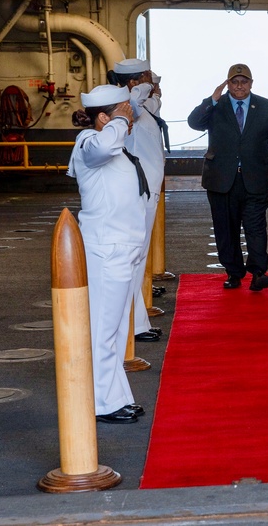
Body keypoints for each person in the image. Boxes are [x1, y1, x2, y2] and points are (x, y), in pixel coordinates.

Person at [66, 84, 148, 424]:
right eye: (122, 112)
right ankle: (101, 401)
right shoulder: (88, 141)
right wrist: (118, 122)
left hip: (122, 247)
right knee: (102, 328)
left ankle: (115, 395)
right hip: (105, 248)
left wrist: (122, 118)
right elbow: (101, 148)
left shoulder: (115, 144)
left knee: (113, 329)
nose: (129, 119)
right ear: (103, 117)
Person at [187, 63, 268, 291]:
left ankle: (259, 272)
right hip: (222, 180)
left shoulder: (266, 107)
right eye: (234, 81)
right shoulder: (216, 106)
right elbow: (194, 123)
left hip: (256, 178)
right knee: (226, 229)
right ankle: (234, 272)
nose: (239, 86)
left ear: (251, 83)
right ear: (227, 83)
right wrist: (211, 99)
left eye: (244, 81)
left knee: (255, 227)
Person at [108, 58, 164, 343]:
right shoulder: (127, 105)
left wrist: (152, 88)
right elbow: (138, 102)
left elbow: (152, 104)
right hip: (137, 191)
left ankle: (137, 322)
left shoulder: (141, 106)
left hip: (145, 190)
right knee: (132, 258)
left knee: (138, 259)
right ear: (134, 81)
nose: (152, 83)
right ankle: (131, 325)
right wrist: (142, 87)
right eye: (147, 78)